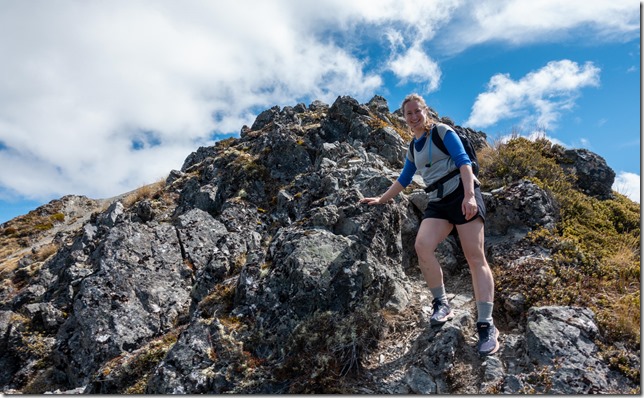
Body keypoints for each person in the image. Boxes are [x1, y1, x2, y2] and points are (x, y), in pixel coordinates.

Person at [359, 93, 499, 356]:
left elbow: (464, 163)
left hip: (461, 193)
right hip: (438, 201)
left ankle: (486, 323)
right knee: (422, 246)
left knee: (475, 257)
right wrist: (381, 199)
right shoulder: (413, 148)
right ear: (404, 119)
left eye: (417, 111)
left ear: (425, 111)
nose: (413, 117)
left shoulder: (442, 132)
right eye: (408, 114)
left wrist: (469, 196)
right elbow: (404, 179)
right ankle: (441, 303)